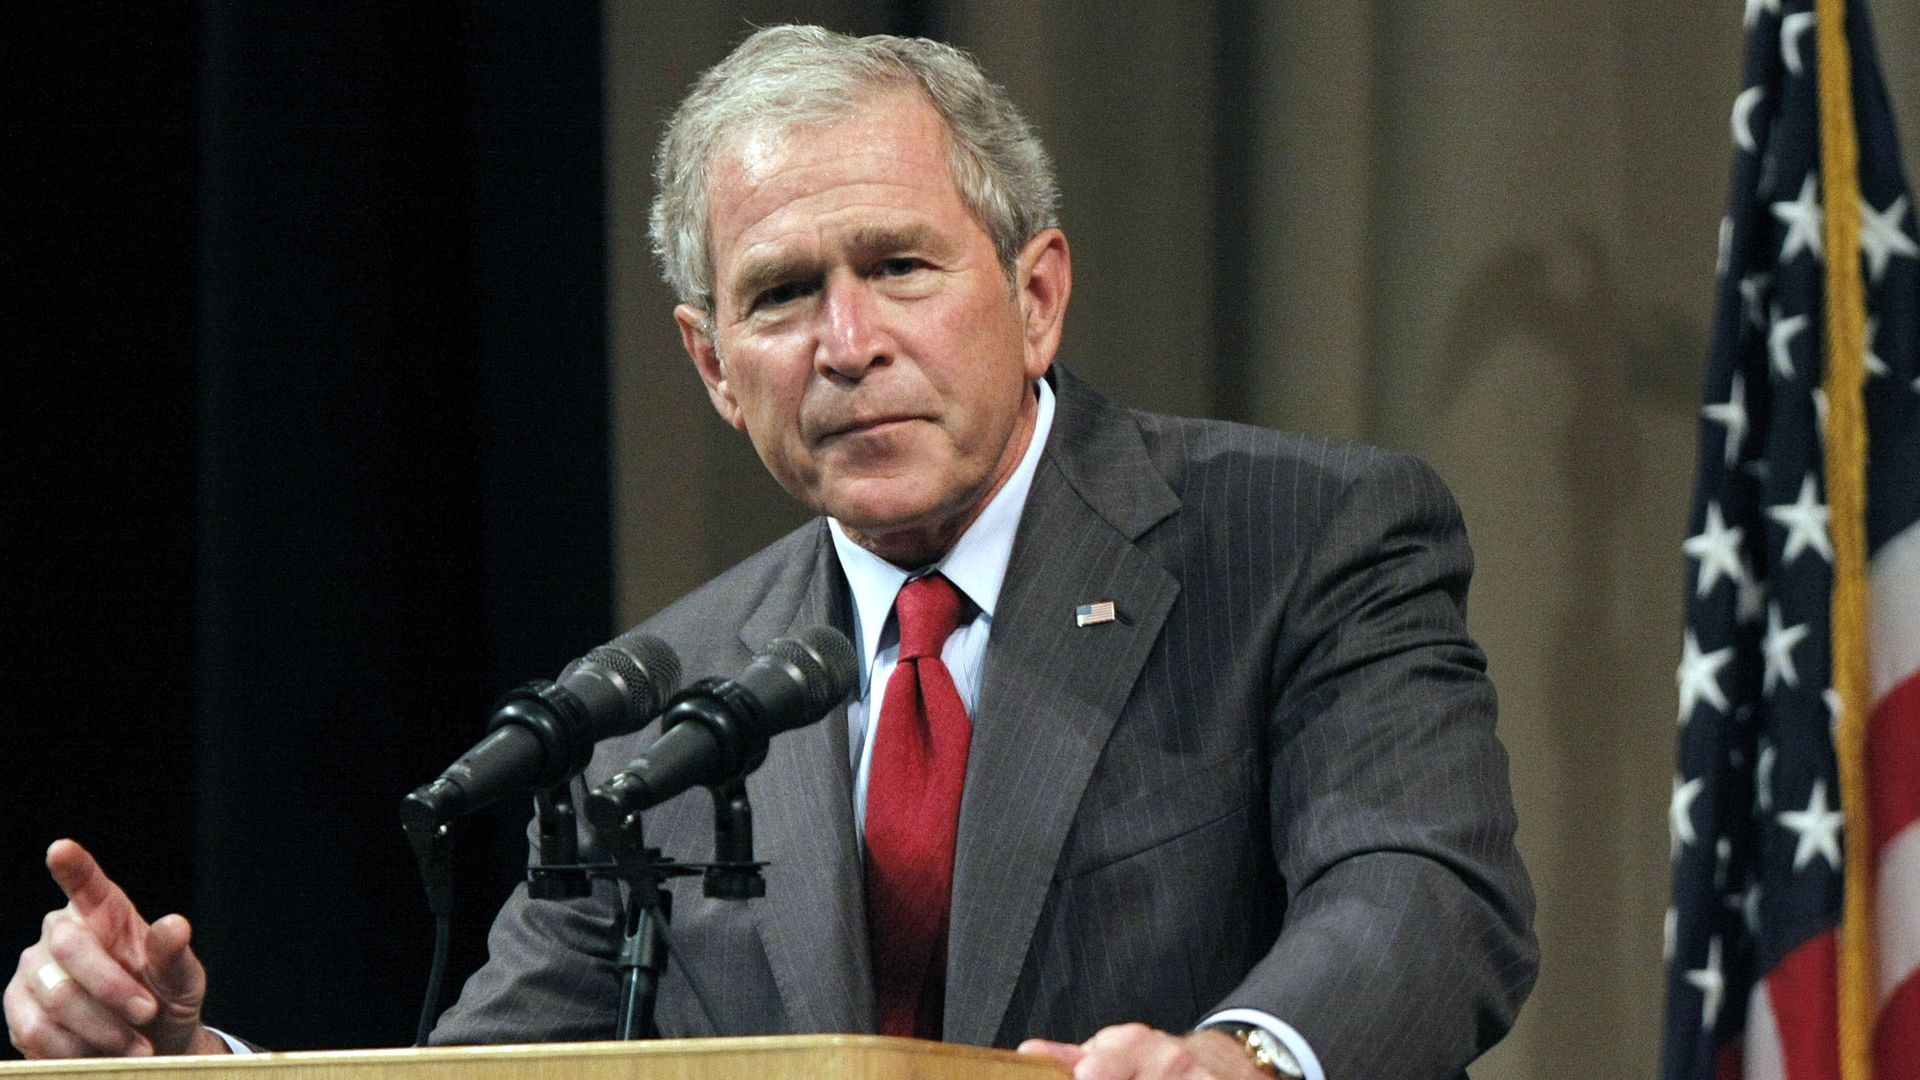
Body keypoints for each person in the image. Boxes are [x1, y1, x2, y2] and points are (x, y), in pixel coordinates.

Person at [6, 26, 1536, 1080]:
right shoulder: (664, 701)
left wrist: (1243, 1055)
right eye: (784, 294)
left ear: (1039, 294)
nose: (848, 344)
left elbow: (1418, 890)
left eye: (901, 267)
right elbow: (488, 1078)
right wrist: (182, 1063)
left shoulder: (1305, 541)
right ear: (711, 363)